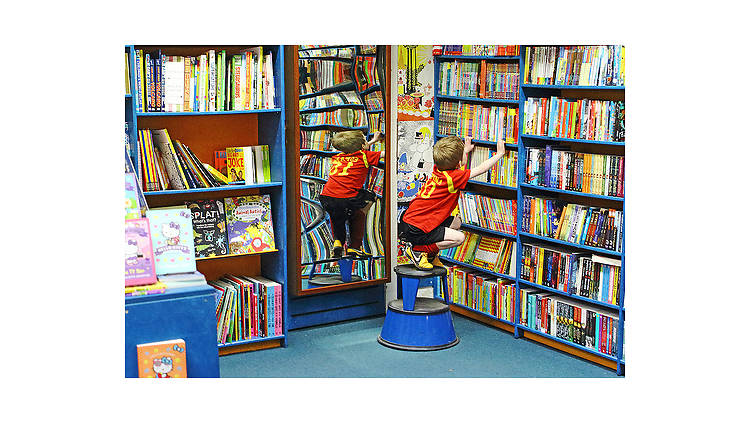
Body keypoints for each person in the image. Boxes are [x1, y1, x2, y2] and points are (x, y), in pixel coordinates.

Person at [398, 135, 505, 270]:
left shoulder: (439, 170)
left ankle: (430, 255)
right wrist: (499, 154)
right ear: (459, 163)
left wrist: (464, 151)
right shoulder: (453, 178)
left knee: (456, 223)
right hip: (417, 228)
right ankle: (419, 251)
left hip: (411, 220)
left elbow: (458, 167)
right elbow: (481, 169)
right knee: (459, 238)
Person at [319, 130, 385, 259]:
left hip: (327, 196)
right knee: (369, 199)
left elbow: (355, 151)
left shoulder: (337, 157)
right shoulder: (365, 156)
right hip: (347, 198)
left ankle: (338, 242)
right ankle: (354, 247)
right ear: (361, 146)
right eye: (365, 141)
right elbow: (384, 154)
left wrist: (373, 141)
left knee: (337, 217)